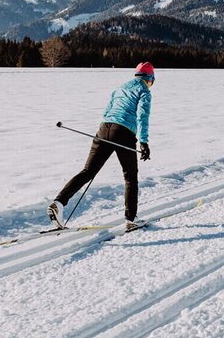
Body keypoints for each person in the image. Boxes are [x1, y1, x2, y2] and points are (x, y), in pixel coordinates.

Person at [47, 62, 155, 232]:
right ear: (149, 78)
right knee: (130, 176)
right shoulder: (144, 92)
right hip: (124, 132)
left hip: (104, 129)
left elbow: (107, 112)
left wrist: (105, 133)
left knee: (88, 171)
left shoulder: (120, 89)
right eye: (151, 80)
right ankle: (131, 219)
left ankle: (59, 203)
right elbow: (142, 116)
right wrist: (144, 141)